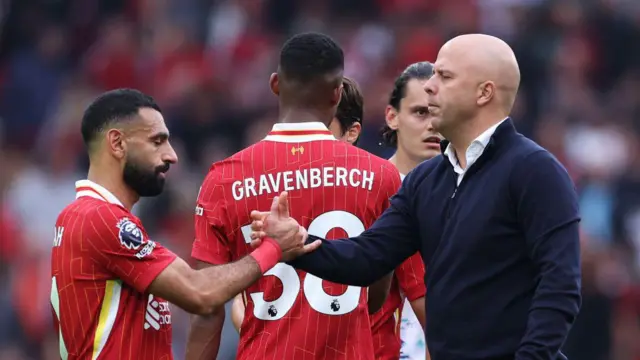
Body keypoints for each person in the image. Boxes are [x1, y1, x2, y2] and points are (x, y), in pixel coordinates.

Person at [249, 34, 582, 360]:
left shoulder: (536, 171)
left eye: (444, 76)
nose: (430, 85)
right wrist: (297, 243)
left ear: (485, 93)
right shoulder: (425, 181)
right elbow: (367, 257)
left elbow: (560, 286)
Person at [49, 89, 310, 359]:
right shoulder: (99, 218)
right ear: (117, 143)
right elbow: (199, 293)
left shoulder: (84, 217)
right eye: (157, 141)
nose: (171, 156)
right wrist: (273, 248)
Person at [186, 33, 401, 360]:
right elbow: (376, 293)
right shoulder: (381, 176)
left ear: (275, 84)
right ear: (337, 94)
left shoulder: (224, 178)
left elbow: (206, 304)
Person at [229, 75, 366, 333]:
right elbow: (240, 296)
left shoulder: (379, 191)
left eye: (321, 128)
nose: (305, 139)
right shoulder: (261, 198)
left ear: (352, 133)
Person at [375, 61, 439, 360]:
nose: (432, 125)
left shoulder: (472, 193)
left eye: (438, 113)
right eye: (420, 112)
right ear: (392, 116)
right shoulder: (366, 192)